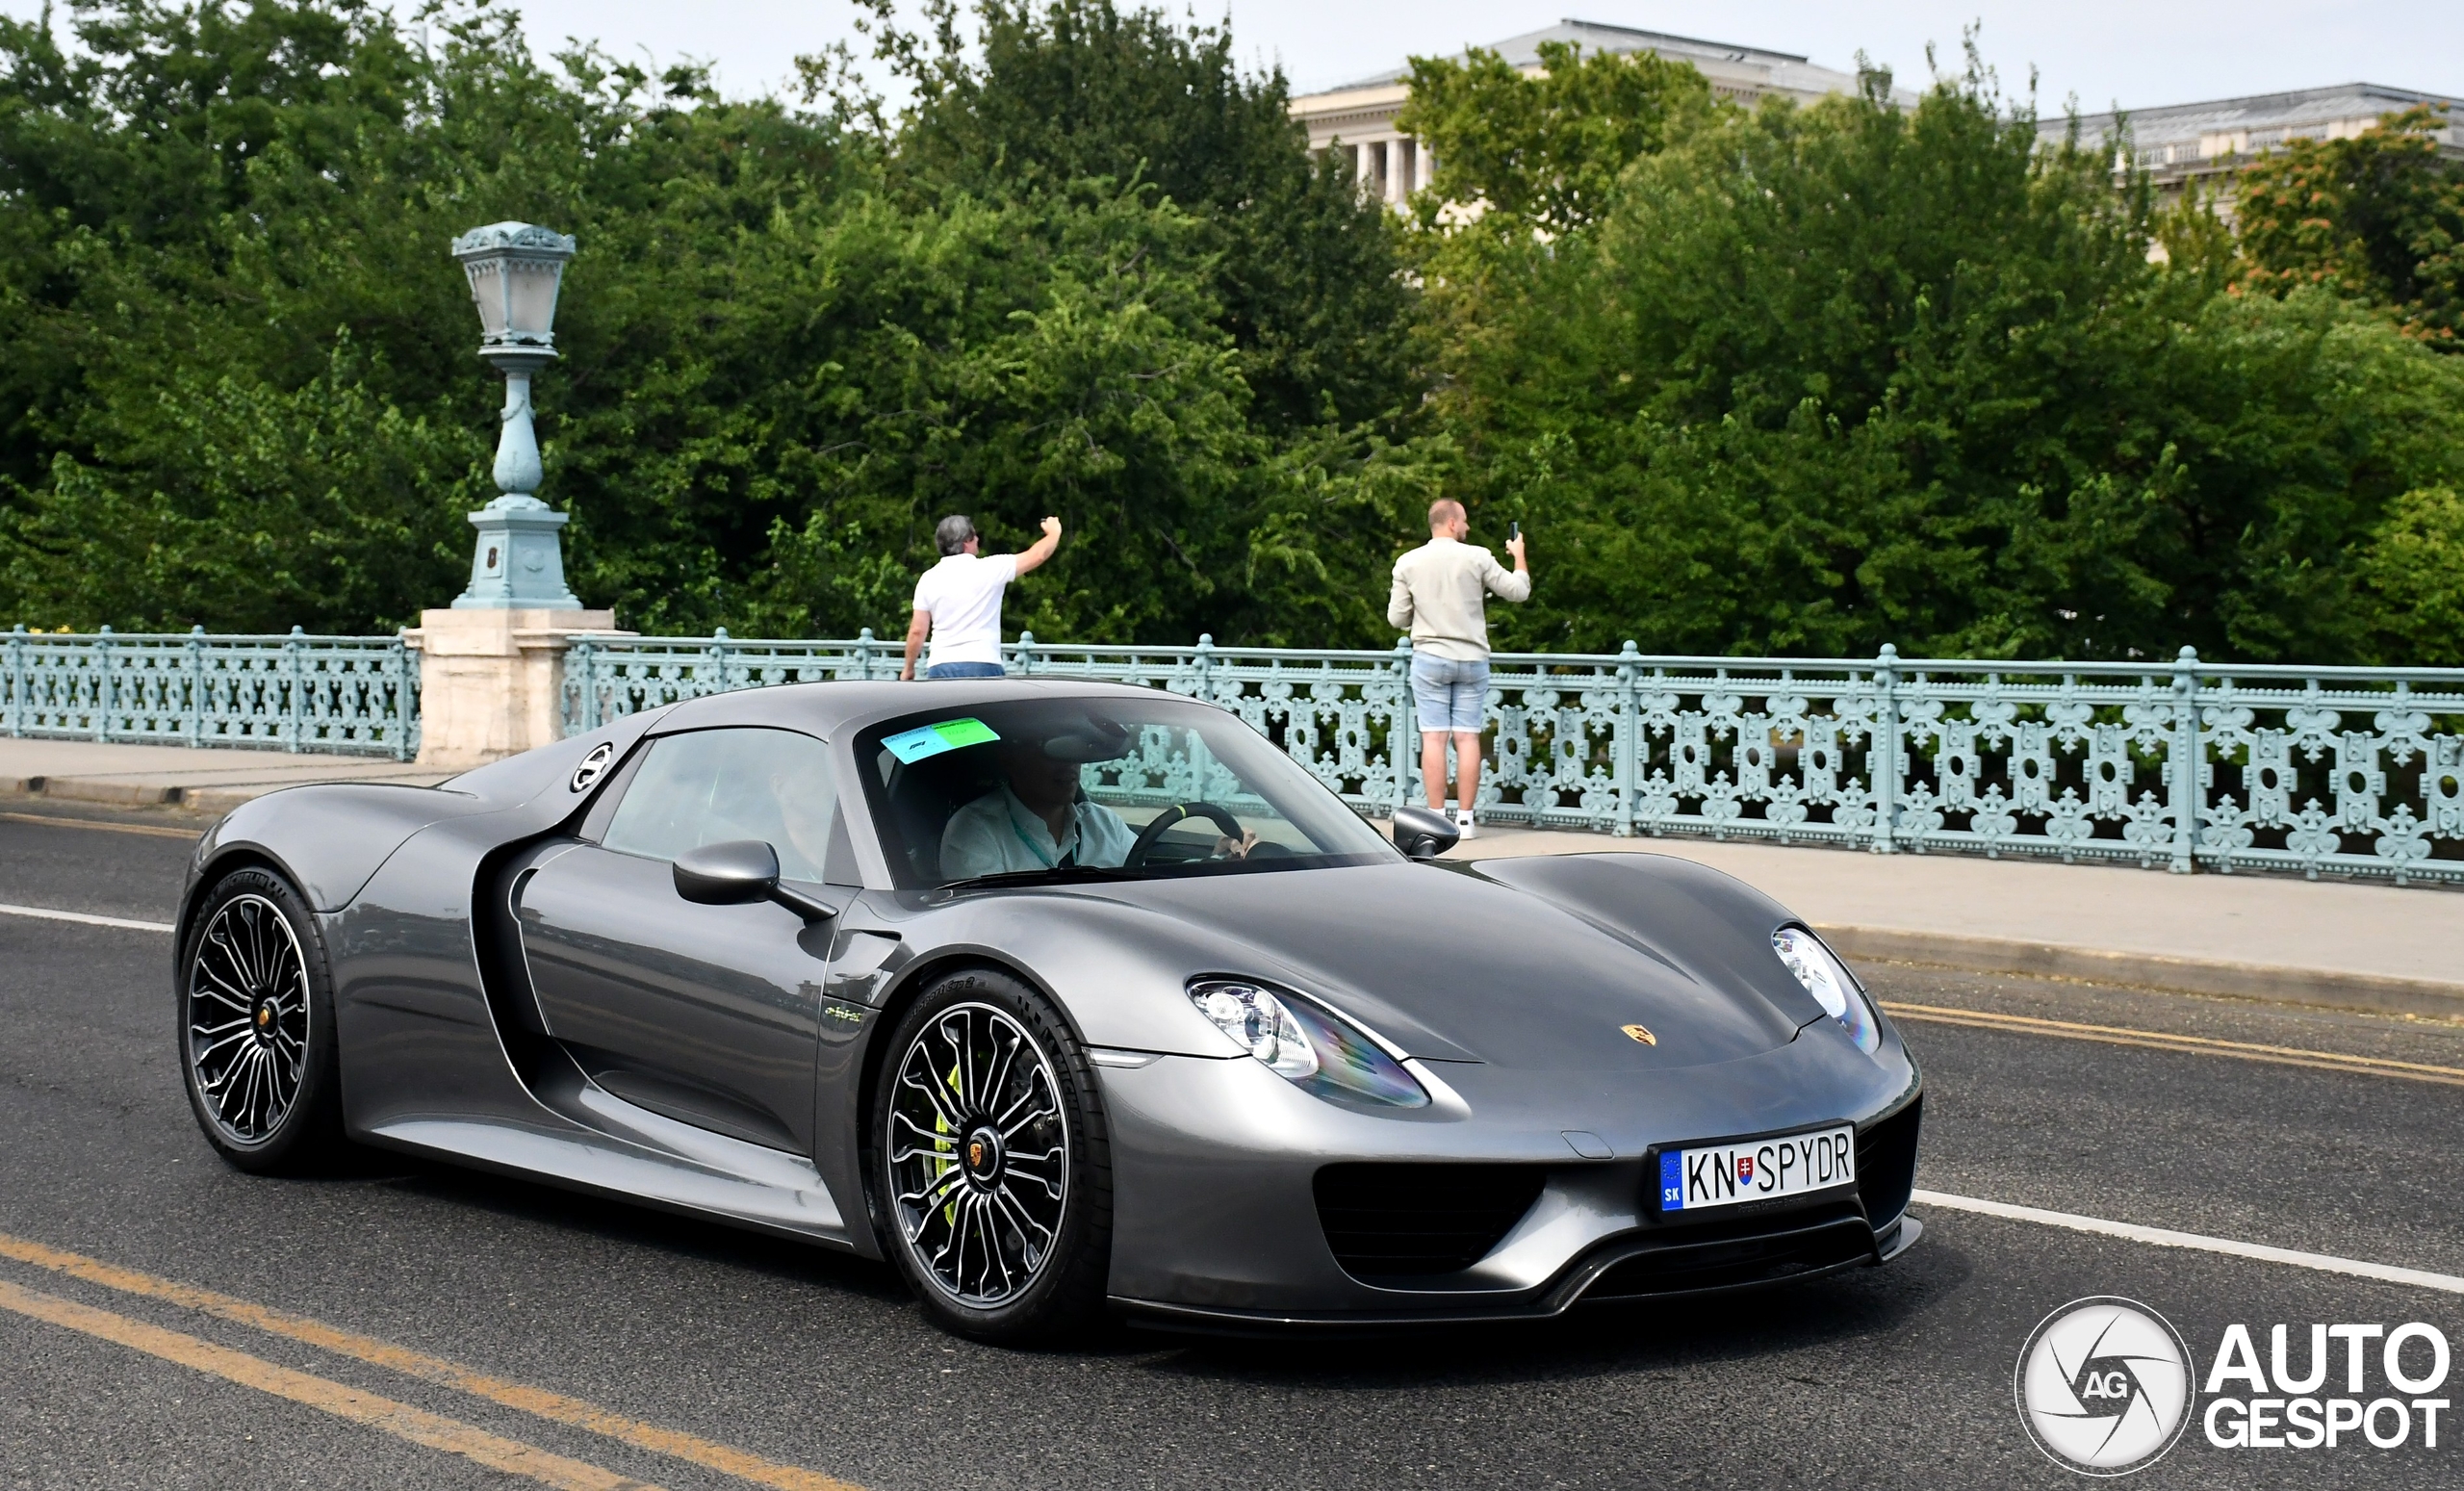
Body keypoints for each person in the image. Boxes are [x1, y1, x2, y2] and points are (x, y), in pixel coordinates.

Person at [1387, 499, 1529, 839]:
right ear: (1451, 523)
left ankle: (1437, 820)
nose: (1467, 527)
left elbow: (1396, 618)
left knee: (1434, 738)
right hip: (1471, 659)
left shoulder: (1407, 562)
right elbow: (1518, 591)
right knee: (1467, 738)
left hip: (1430, 658)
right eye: (1464, 521)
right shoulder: (1478, 556)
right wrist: (1519, 554)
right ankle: (1466, 821)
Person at [939, 732, 1139, 879]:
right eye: (1053, 751)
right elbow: (990, 918)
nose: (1068, 764)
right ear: (1010, 759)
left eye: (1074, 752)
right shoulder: (975, 829)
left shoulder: (1106, 825)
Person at [902, 513, 1062, 681]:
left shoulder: (928, 579)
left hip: (941, 665)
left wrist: (909, 668)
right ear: (967, 541)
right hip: (983, 663)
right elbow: (1037, 555)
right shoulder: (990, 569)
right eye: (974, 536)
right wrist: (1054, 533)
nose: (978, 539)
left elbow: (917, 631)